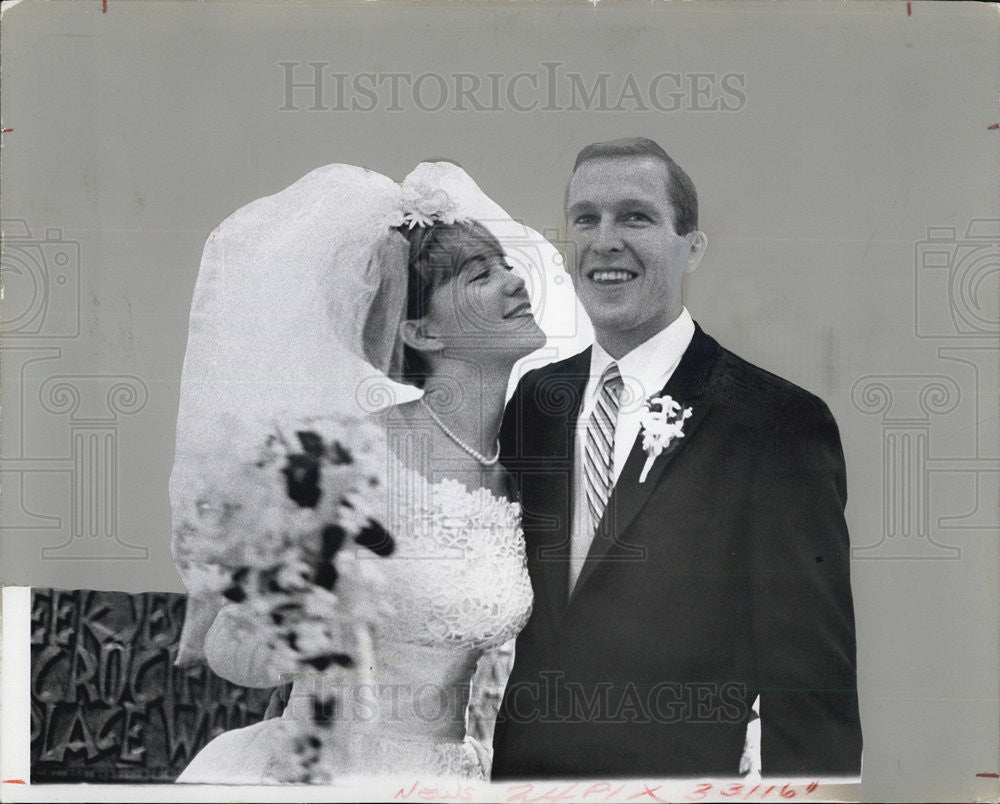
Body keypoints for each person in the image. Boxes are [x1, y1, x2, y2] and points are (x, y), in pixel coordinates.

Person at [491, 138, 863, 779]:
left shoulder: (778, 424)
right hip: (525, 779)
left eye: (635, 216)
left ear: (692, 246)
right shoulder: (535, 402)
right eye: (586, 219)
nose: (604, 240)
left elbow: (812, 689)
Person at [169, 162, 552, 782]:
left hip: (449, 776)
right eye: (481, 275)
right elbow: (226, 650)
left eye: (507, 265)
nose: (514, 283)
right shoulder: (344, 456)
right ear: (420, 331)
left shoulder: (519, 472)